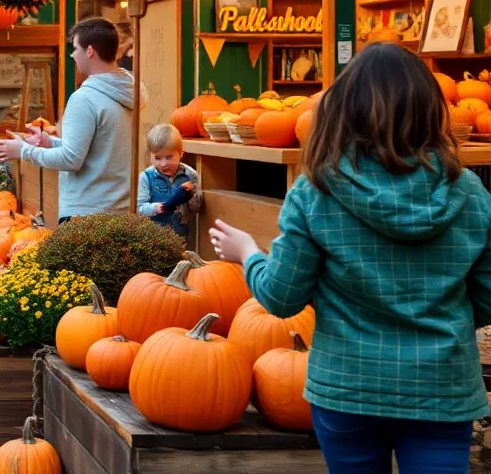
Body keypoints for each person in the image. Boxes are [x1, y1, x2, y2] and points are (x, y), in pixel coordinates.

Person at [209, 43, 491, 472]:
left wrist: (248, 253)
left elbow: (281, 298)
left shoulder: (317, 190)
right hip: (442, 387)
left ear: (342, 110)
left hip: (347, 385)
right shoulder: (469, 192)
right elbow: (488, 296)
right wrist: (438, 319)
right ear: (430, 109)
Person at [0, 17, 134, 222]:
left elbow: (70, 159)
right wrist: (49, 142)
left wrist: (23, 151)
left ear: (90, 51)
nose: (73, 55)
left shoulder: (85, 98)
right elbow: (99, 149)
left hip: (84, 213)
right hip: (120, 209)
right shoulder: (129, 92)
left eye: (75, 48)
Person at [136, 123, 201, 239]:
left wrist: (190, 195)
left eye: (169, 157)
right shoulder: (146, 177)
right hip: (153, 237)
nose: (163, 163)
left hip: (180, 235)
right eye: (157, 158)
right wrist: (160, 207)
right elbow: (139, 208)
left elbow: (197, 208)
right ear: (151, 155)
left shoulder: (190, 175)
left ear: (181, 154)